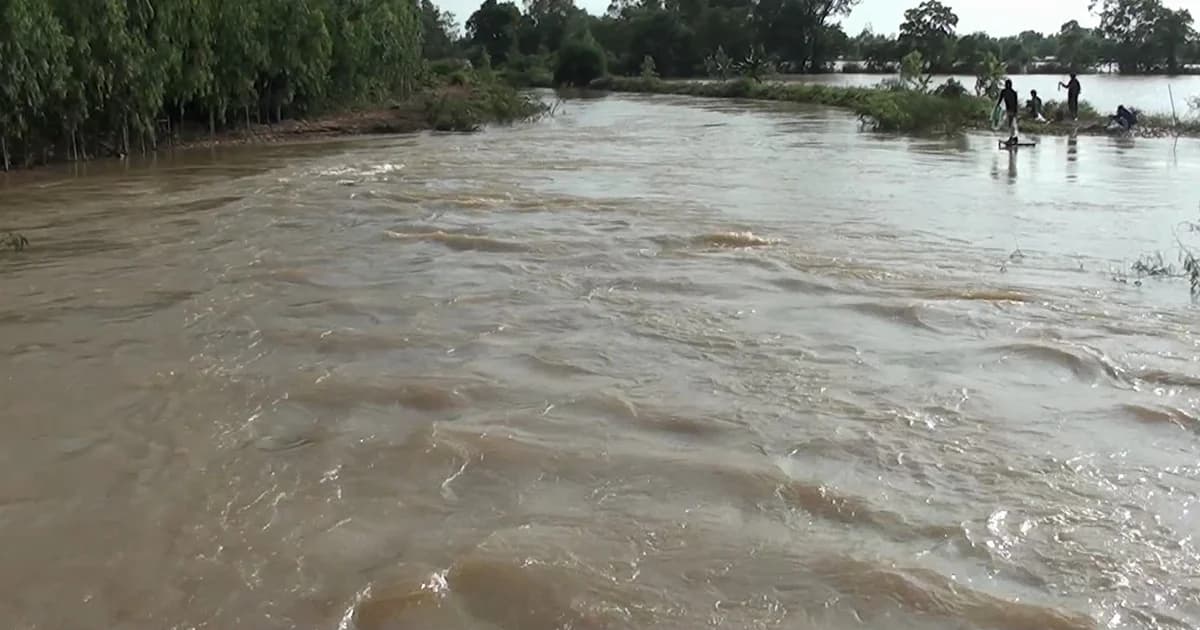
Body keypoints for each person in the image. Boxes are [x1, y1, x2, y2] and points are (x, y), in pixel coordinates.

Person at [997, 79, 1019, 144]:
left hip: (1012, 110)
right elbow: (1000, 100)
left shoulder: (1012, 92)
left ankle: (1012, 138)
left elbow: (1015, 103)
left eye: (1008, 84)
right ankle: (1014, 137)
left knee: (1011, 124)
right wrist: (997, 107)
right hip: (1009, 110)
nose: (1007, 86)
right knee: (1011, 124)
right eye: (1007, 84)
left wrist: (1016, 111)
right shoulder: (1005, 92)